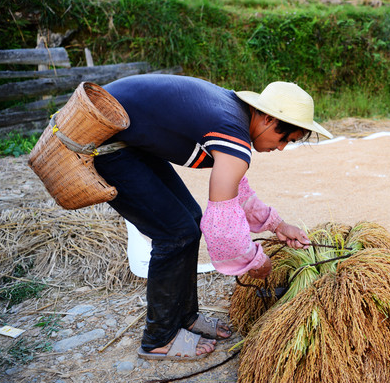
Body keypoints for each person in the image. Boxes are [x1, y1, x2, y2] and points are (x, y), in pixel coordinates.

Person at [93, 74, 333, 361]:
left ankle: (185, 317)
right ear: (268, 119)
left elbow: (235, 192)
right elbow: (220, 226)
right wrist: (255, 261)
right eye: (284, 138)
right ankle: (159, 338)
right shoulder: (233, 131)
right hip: (104, 141)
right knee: (174, 233)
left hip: (129, 141)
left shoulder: (233, 116)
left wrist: (278, 226)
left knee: (189, 221)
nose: (281, 148)